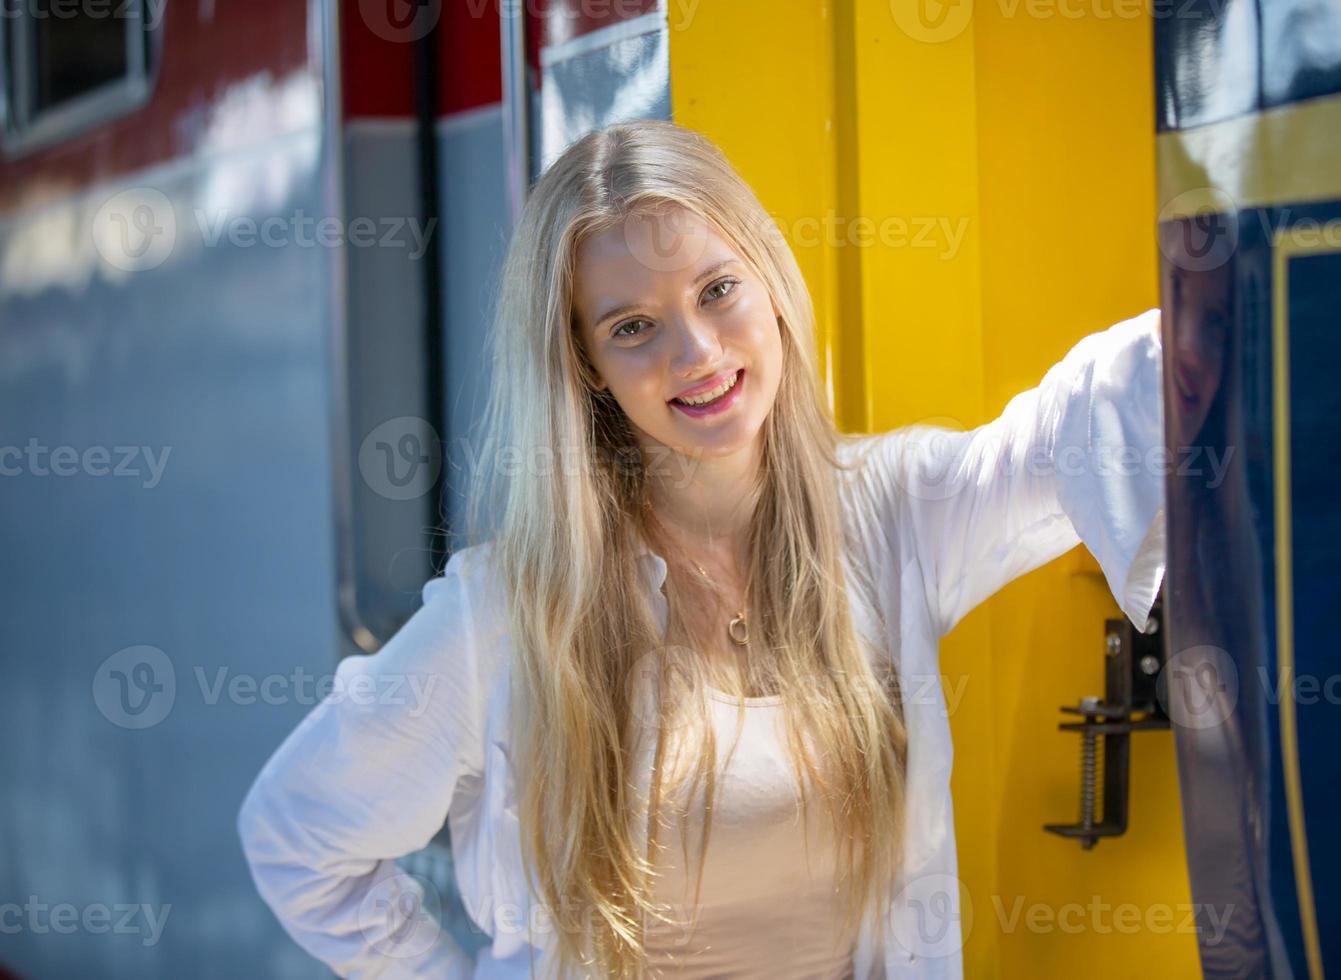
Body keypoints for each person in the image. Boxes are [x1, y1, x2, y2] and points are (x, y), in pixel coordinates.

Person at [237, 119, 1167, 980]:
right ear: (585, 371)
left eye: (718, 289)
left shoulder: (890, 513)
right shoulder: (513, 612)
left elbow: (1079, 420)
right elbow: (296, 834)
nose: (697, 352)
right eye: (631, 327)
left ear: (768, 279)